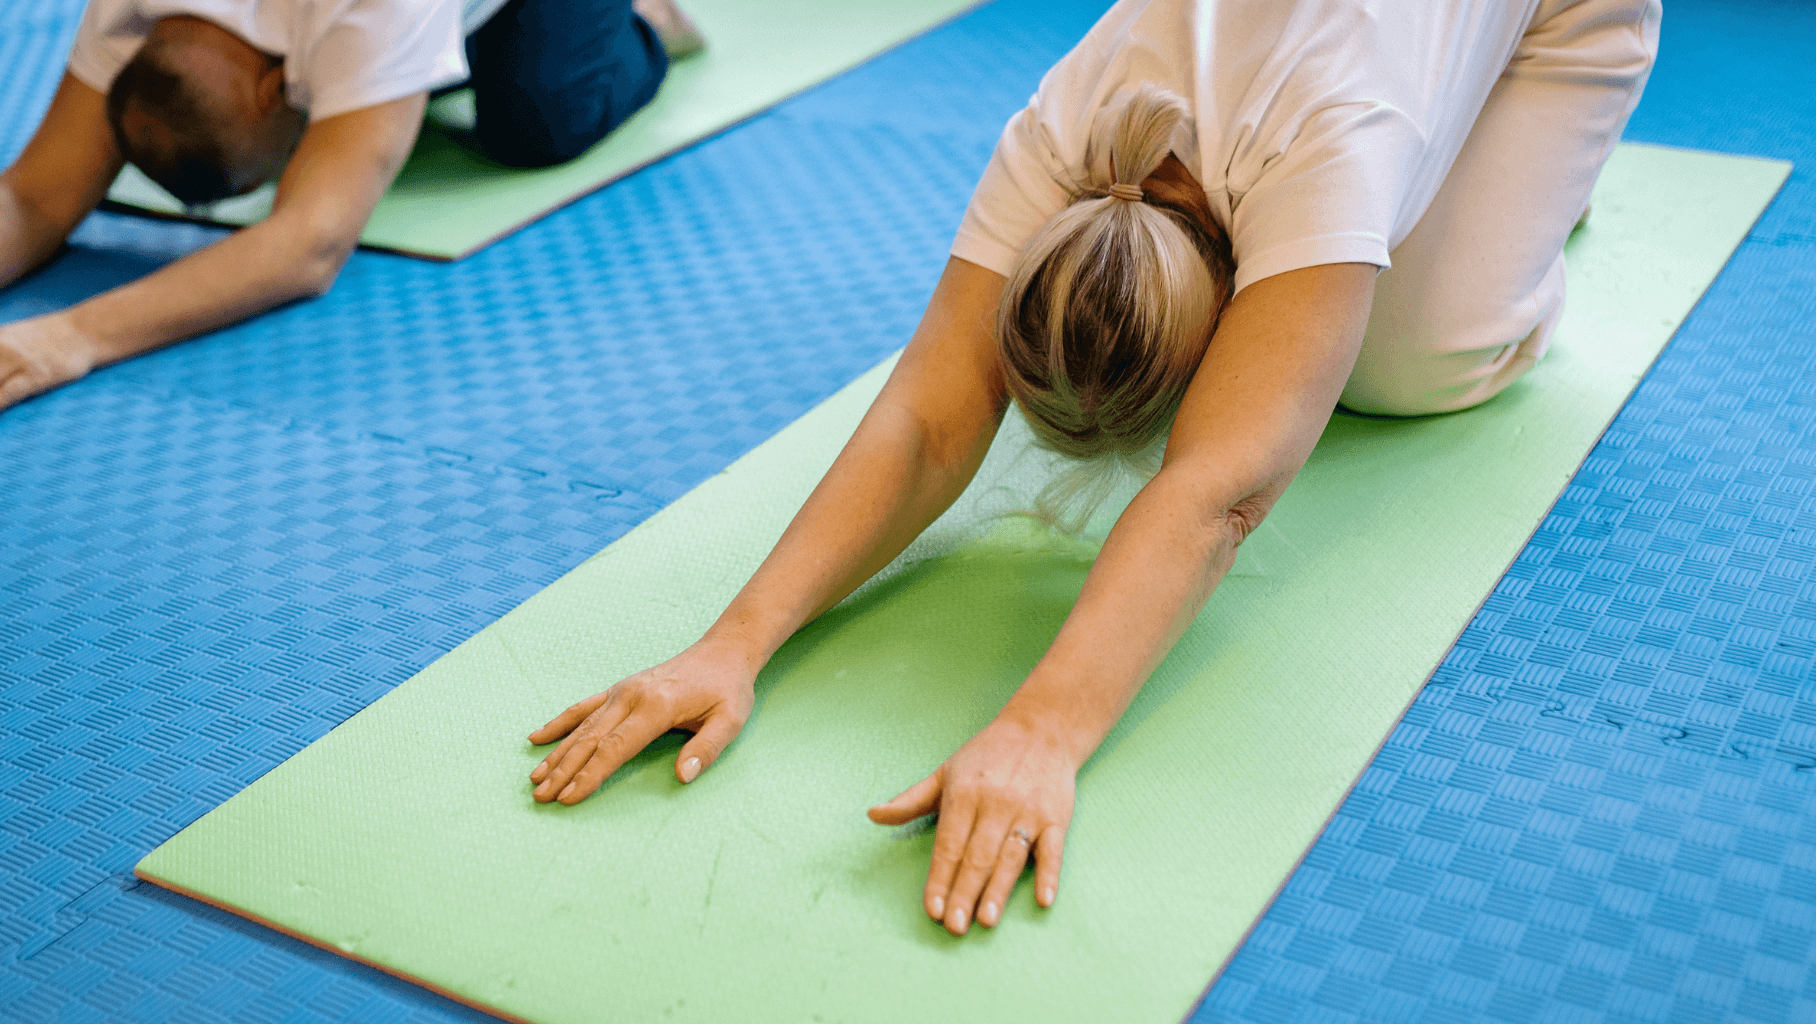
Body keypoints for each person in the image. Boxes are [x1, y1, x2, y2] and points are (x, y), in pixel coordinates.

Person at [523, 0, 1658, 936]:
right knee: (1331, 322)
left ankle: (1531, 197)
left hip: (1547, 20)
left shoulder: (1328, 148)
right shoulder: (1063, 131)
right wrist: (731, 642)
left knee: (1402, 369)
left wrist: (1040, 730)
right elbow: (929, 416)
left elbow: (1216, 491)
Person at [0, 0, 703, 425]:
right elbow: (34, 192)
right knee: (389, 111)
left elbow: (306, 246)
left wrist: (70, 337)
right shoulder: (135, 11)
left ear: (273, 93)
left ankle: (647, 22)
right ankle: (380, 103)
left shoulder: (373, 7)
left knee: (538, 116)